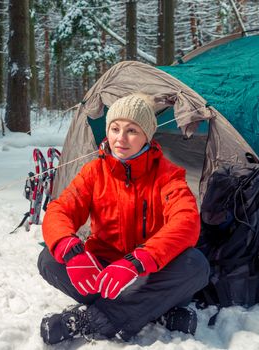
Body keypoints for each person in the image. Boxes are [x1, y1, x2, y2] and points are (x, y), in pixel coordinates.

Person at [37, 93, 210, 345]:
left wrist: (138, 261)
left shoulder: (168, 175)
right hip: (105, 270)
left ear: (147, 136)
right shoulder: (94, 172)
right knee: (49, 259)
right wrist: (71, 251)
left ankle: (91, 320)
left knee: (196, 265)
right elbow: (61, 210)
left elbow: (186, 222)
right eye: (115, 128)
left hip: (150, 271)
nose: (120, 138)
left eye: (132, 130)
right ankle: (152, 309)